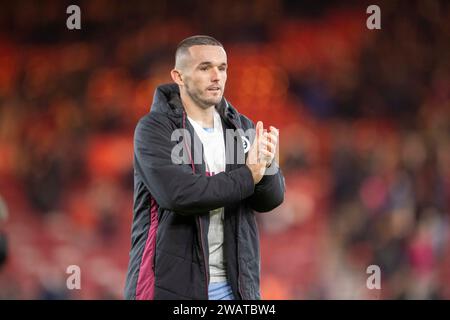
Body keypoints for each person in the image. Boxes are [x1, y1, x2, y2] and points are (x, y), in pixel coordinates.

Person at [124, 35, 285, 300]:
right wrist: (248, 175)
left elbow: (270, 200)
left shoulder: (239, 127)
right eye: (204, 67)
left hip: (236, 288)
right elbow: (179, 194)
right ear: (178, 76)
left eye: (222, 68)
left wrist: (267, 167)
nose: (216, 76)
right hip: (171, 287)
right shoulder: (155, 128)